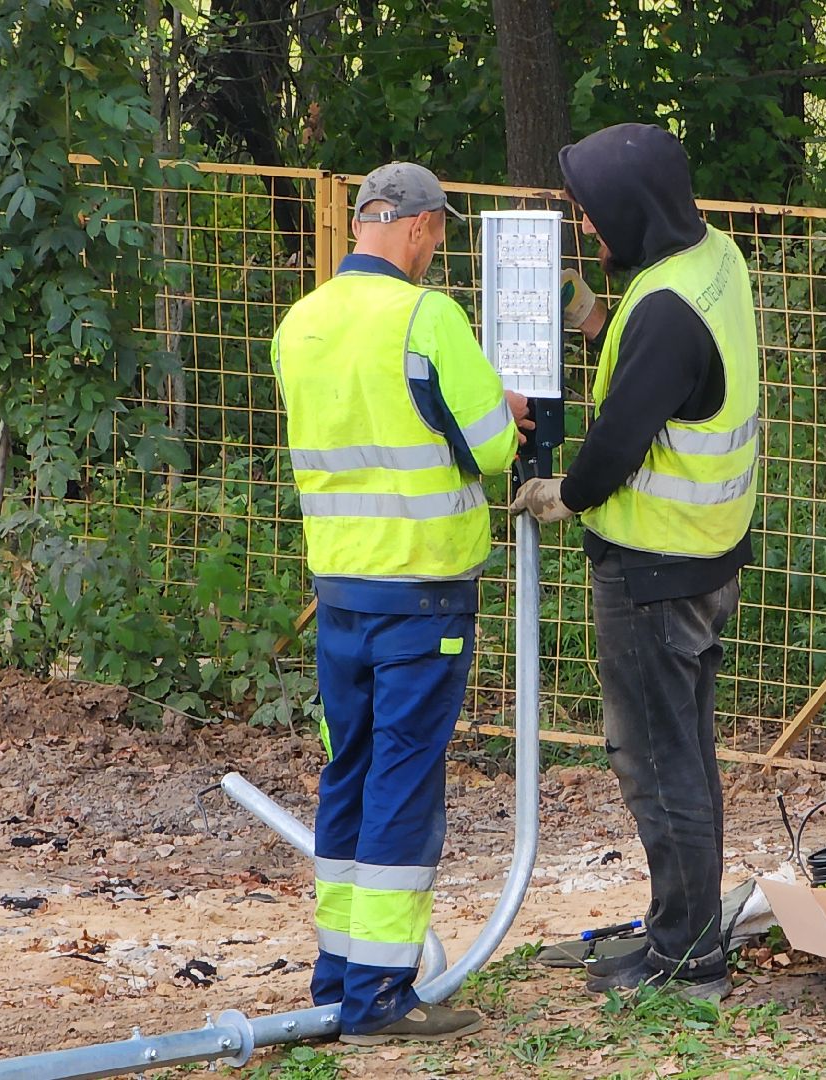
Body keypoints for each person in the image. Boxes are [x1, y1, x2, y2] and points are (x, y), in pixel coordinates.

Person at [272, 162, 529, 1043]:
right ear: (416, 227)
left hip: (340, 592)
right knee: (403, 778)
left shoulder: (299, 325)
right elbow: (493, 450)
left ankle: (337, 974)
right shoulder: (429, 318)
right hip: (422, 595)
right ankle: (381, 991)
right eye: (439, 233)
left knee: (348, 768)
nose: (437, 247)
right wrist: (507, 407)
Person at [510, 123, 760, 1002]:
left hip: (653, 570)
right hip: (705, 560)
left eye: (591, 214)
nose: (586, 230)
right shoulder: (710, 258)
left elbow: (620, 434)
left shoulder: (665, 310)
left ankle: (688, 962)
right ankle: (685, 937)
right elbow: (667, 362)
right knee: (684, 753)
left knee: (658, 763)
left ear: (631, 209)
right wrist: (591, 318)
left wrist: (566, 494)